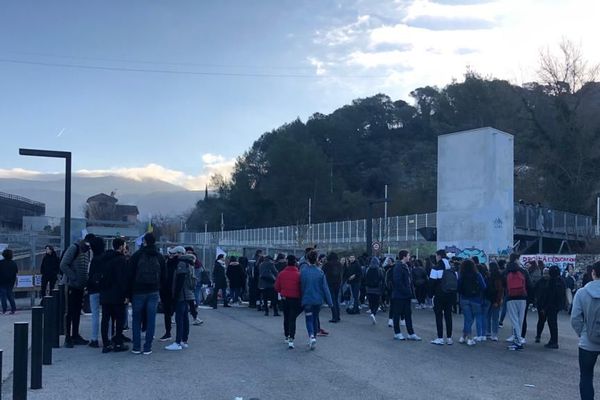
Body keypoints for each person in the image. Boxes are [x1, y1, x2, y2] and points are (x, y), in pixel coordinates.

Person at [128, 232, 165, 355]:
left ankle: (136, 347)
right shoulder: (159, 256)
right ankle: (148, 347)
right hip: (153, 291)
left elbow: (130, 274)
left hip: (138, 291)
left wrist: (129, 293)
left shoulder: (137, 255)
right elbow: (164, 276)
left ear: (144, 242)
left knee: (136, 319)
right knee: (151, 318)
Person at [571, 261, 600, 400]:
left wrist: (583, 333)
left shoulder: (582, 293)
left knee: (586, 376)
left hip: (588, 341)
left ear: (593, 273)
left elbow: (575, 318)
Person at [60, 234, 95, 347]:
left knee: (76, 311)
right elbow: (63, 264)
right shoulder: (74, 248)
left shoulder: (87, 251)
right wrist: (73, 277)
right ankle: (68, 337)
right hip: (71, 285)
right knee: (69, 311)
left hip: (80, 286)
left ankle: (75, 334)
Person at [99, 238, 129, 353]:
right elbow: (123, 279)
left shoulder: (104, 258)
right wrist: (126, 294)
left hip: (105, 293)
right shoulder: (121, 260)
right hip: (117, 294)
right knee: (119, 319)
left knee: (105, 319)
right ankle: (118, 343)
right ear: (121, 247)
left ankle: (106, 344)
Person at [300, 249, 333, 350]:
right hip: (318, 300)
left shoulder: (303, 271)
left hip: (307, 299)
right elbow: (325, 288)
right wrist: (330, 302)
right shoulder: (320, 272)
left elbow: (301, 286)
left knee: (309, 319)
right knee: (315, 318)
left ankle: (311, 336)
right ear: (316, 260)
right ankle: (314, 335)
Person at [165, 246, 196, 351]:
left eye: (174, 254)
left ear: (179, 253)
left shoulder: (181, 264)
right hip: (187, 294)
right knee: (184, 318)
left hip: (181, 295)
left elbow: (180, 281)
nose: (172, 256)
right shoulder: (188, 262)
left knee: (180, 318)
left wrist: (175, 295)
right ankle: (183, 340)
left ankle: (178, 342)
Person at [504, 253, 533, 351]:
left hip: (510, 297)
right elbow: (530, 284)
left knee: (514, 320)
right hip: (522, 297)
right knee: (520, 320)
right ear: (517, 260)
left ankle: (518, 341)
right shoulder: (523, 271)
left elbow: (503, 283)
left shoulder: (507, 271)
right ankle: (519, 339)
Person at [392, 250, 421, 341]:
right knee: (397, 314)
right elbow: (398, 282)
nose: (410, 257)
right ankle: (397, 333)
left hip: (406, 295)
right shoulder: (398, 267)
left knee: (408, 314)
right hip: (399, 295)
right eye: (408, 255)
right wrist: (406, 291)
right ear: (404, 256)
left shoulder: (406, 266)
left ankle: (411, 333)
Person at [429, 249, 456, 345]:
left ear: (439, 256)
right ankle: (449, 338)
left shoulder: (435, 268)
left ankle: (440, 338)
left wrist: (430, 295)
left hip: (439, 295)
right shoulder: (452, 268)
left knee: (438, 316)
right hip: (450, 295)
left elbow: (431, 283)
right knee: (448, 316)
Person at [457, 259, 486, 346]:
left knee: (467, 318)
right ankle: (469, 338)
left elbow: (458, 287)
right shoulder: (477, 274)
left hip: (464, 299)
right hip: (476, 299)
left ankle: (464, 336)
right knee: (471, 319)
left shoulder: (461, 275)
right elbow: (484, 286)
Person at [275, 255, 301, 349]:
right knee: (292, 318)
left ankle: (286, 335)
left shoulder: (281, 274)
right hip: (295, 298)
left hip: (285, 297)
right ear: (295, 263)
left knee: (286, 317)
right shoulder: (298, 274)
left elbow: (277, 287)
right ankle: (291, 338)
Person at [536, 266, 565, 349]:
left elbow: (549, 296)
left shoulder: (552, 281)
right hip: (557, 305)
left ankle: (554, 341)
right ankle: (553, 340)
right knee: (553, 323)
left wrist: (544, 308)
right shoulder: (561, 280)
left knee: (552, 324)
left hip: (551, 306)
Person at [87, 236, 106, 348]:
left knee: (95, 314)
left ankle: (94, 339)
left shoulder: (94, 259)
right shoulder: (105, 258)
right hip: (104, 289)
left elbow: (90, 275)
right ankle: (107, 338)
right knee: (106, 314)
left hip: (94, 290)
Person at [159, 247, 178, 341]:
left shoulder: (169, 264)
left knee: (168, 313)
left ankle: (169, 333)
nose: (171, 255)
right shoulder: (179, 264)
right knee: (170, 313)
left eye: (172, 253)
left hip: (168, 292)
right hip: (172, 292)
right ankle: (176, 336)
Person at [486, 262, 504, 341]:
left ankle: (488, 332)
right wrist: (498, 300)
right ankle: (494, 334)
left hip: (489, 299)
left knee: (488, 316)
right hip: (496, 299)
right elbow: (500, 290)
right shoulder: (499, 276)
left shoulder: (489, 276)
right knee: (495, 318)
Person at [323, 252, 343, 323]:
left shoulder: (327, 264)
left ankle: (334, 317)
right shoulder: (339, 264)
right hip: (338, 284)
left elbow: (322, 272)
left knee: (332, 300)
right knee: (336, 300)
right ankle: (338, 316)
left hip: (330, 284)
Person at [364, 256, 384, 325]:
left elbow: (365, 277)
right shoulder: (380, 270)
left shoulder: (368, 269)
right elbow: (382, 279)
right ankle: (373, 313)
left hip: (369, 289)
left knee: (371, 302)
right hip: (377, 289)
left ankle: (372, 312)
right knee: (376, 303)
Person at [0, 249, 18, 314]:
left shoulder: (1, 263)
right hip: (11, 282)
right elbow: (16, 273)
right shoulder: (13, 263)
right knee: (10, 295)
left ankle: (4, 310)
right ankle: (13, 309)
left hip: (2, 281)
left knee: (3, 296)